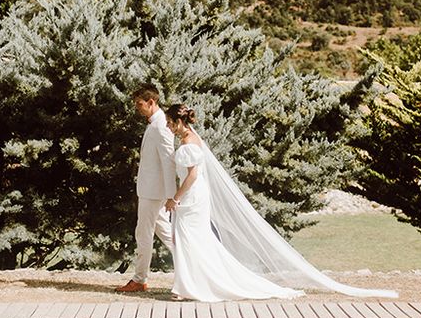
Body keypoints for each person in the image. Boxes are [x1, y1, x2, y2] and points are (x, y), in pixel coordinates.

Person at [164, 103, 398, 302]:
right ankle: (190, 284)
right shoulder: (190, 138)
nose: (167, 126)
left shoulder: (189, 143)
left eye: (169, 121)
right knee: (193, 239)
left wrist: (175, 198)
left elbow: (193, 176)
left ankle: (191, 286)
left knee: (189, 238)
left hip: (192, 197)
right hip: (194, 196)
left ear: (177, 121)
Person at [115, 85, 177, 293]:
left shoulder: (161, 126)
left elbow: (169, 162)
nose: (137, 108)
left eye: (139, 104)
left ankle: (140, 279)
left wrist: (171, 196)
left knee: (143, 235)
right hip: (152, 190)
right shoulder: (155, 124)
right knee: (168, 234)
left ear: (151, 102)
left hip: (154, 193)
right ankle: (194, 268)